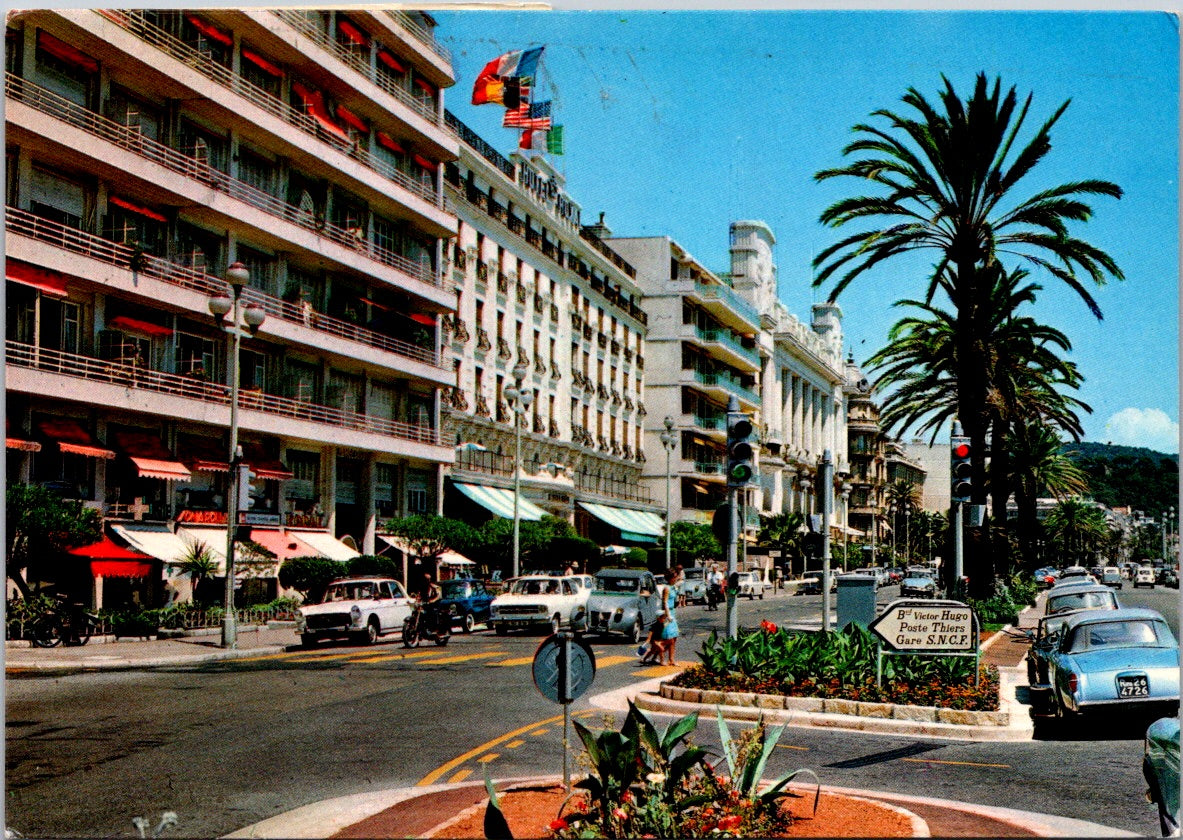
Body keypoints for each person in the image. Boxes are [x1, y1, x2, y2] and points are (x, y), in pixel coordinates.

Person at [658, 566, 681, 665]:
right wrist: (668, 615)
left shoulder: (673, 587)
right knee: (668, 638)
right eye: (675, 577)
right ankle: (661, 658)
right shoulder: (666, 588)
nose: (676, 578)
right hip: (667, 614)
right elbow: (665, 602)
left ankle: (671, 659)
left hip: (672, 612)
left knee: (674, 637)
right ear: (670, 577)